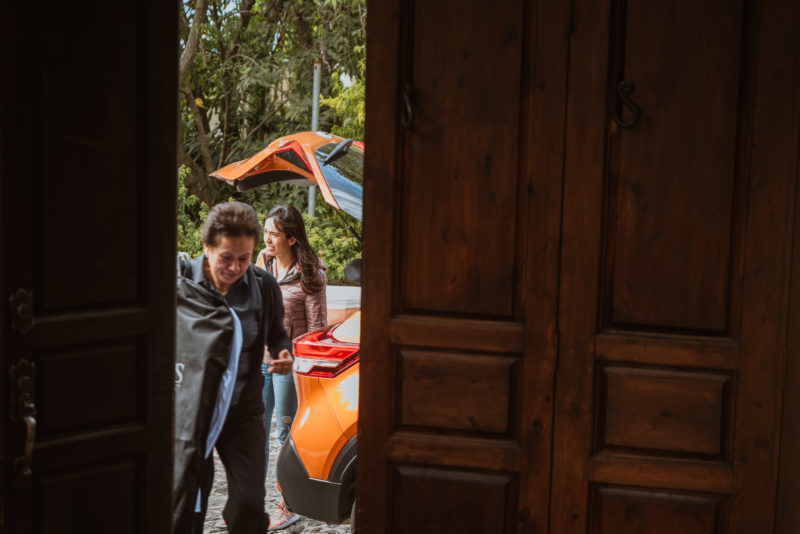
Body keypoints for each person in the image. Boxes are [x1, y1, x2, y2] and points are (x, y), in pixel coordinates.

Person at [181, 200, 294, 533]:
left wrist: (283, 354)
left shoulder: (262, 286)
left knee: (247, 505)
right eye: (226, 258)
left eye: (244, 258)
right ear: (206, 247)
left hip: (242, 411)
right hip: (190, 411)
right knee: (186, 505)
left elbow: (277, 336)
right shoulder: (180, 281)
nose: (235, 267)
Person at [256, 204, 327, 530]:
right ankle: (251, 502)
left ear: (292, 238)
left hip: (289, 367)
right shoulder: (262, 263)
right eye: (266, 231)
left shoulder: (312, 274)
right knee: (255, 433)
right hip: (258, 362)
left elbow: (317, 330)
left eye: (273, 233)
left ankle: (289, 505)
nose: (266, 238)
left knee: (287, 434)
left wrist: (303, 369)